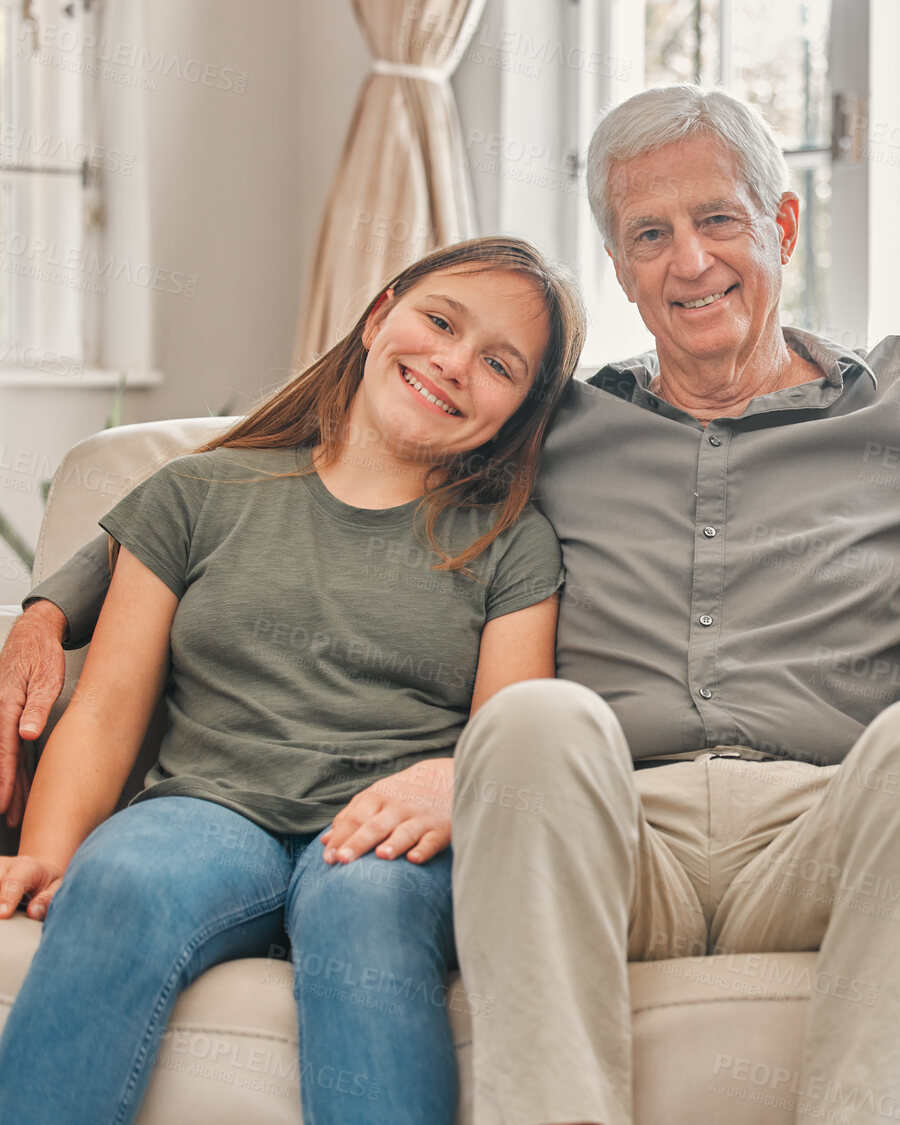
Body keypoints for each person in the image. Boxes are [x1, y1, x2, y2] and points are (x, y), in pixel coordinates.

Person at [5, 86, 900, 1125]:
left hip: (829, 820)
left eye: (718, 220)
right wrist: (50, 607)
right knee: (532, 721)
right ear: (621, 273)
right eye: (647, 235)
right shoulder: (543, 422)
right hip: (607, 822)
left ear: (781, 220)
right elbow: (274, 476)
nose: (690, 263)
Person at [0, 236, 585, 1124]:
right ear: (378, 312)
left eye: (498, 364)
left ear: (519, 411)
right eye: (438, 321)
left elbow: (504, 736)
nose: (452, 363)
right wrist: (46, 853)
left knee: (367, 914)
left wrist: (451, 779)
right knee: (120, 879)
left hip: (387, 833)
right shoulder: (196, 494)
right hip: (206, 809)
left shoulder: (510, 540)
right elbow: (109, 706)